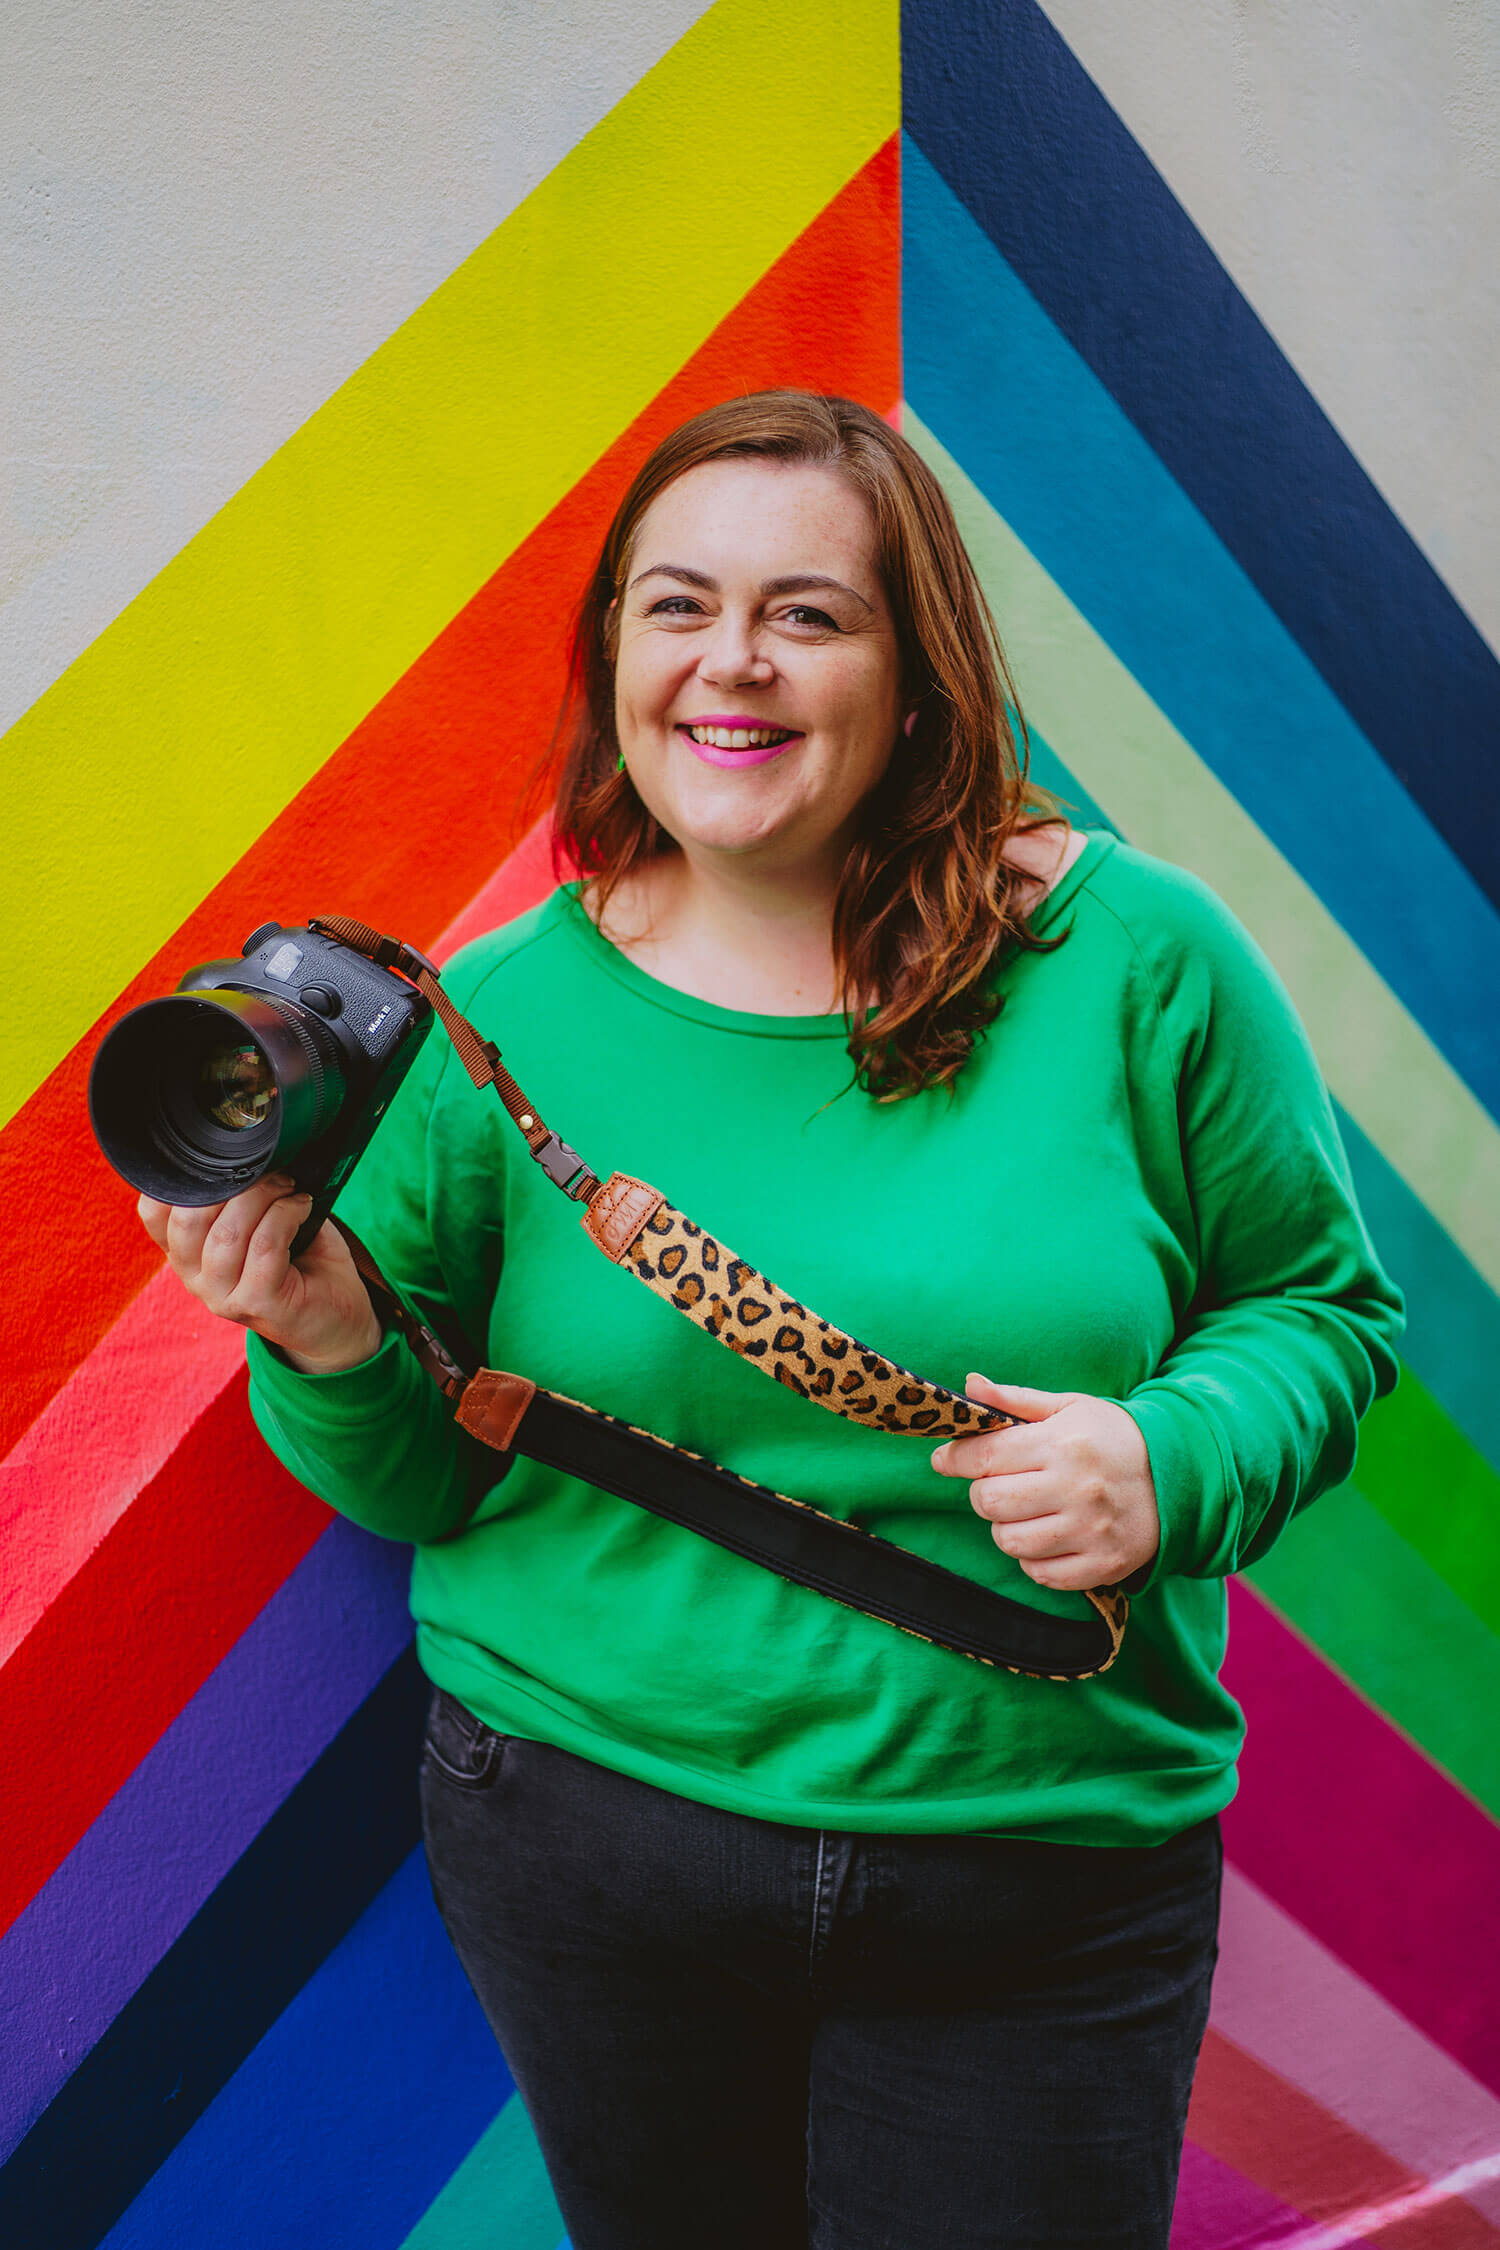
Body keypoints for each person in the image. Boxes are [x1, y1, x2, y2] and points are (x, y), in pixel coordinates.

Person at [138, 392, 1404, 2250]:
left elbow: (1321, 1304)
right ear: (616, 657)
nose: (731, 662)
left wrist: (1171, 1454)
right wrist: (326, 1348)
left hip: (1035, 1868)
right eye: (678, 606)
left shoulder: (1137, 962)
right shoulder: (490, 1019)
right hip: (588, 1843)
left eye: (809, 613)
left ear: (918, 670)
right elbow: (424, 1481)